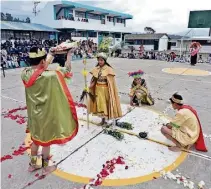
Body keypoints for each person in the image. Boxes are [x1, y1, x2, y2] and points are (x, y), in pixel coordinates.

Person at [21, 46, 78, 175]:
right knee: (46, 143)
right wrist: (69, 55)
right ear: (42, 61)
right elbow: (67, 70)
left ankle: (33, 165)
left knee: (35, 140)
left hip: (34, 115)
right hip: (45, 116)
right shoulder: (51, 76)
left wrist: (51, 54)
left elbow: (39, 69)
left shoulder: (24, 73)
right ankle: (46, 166)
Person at [88, 52, 122, 125]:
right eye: (99, 60)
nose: (100, 62)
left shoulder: (109, 69)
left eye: (101, 60)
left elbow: (111, 82)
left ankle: (105, 120)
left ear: (105, 61)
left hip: (105, 90)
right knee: (99, 104)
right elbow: (94, 79)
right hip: (98, 89)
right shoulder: (96, 68)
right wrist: (90, 86)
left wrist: (110, 90)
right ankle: (102, 120)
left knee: (105, 104)